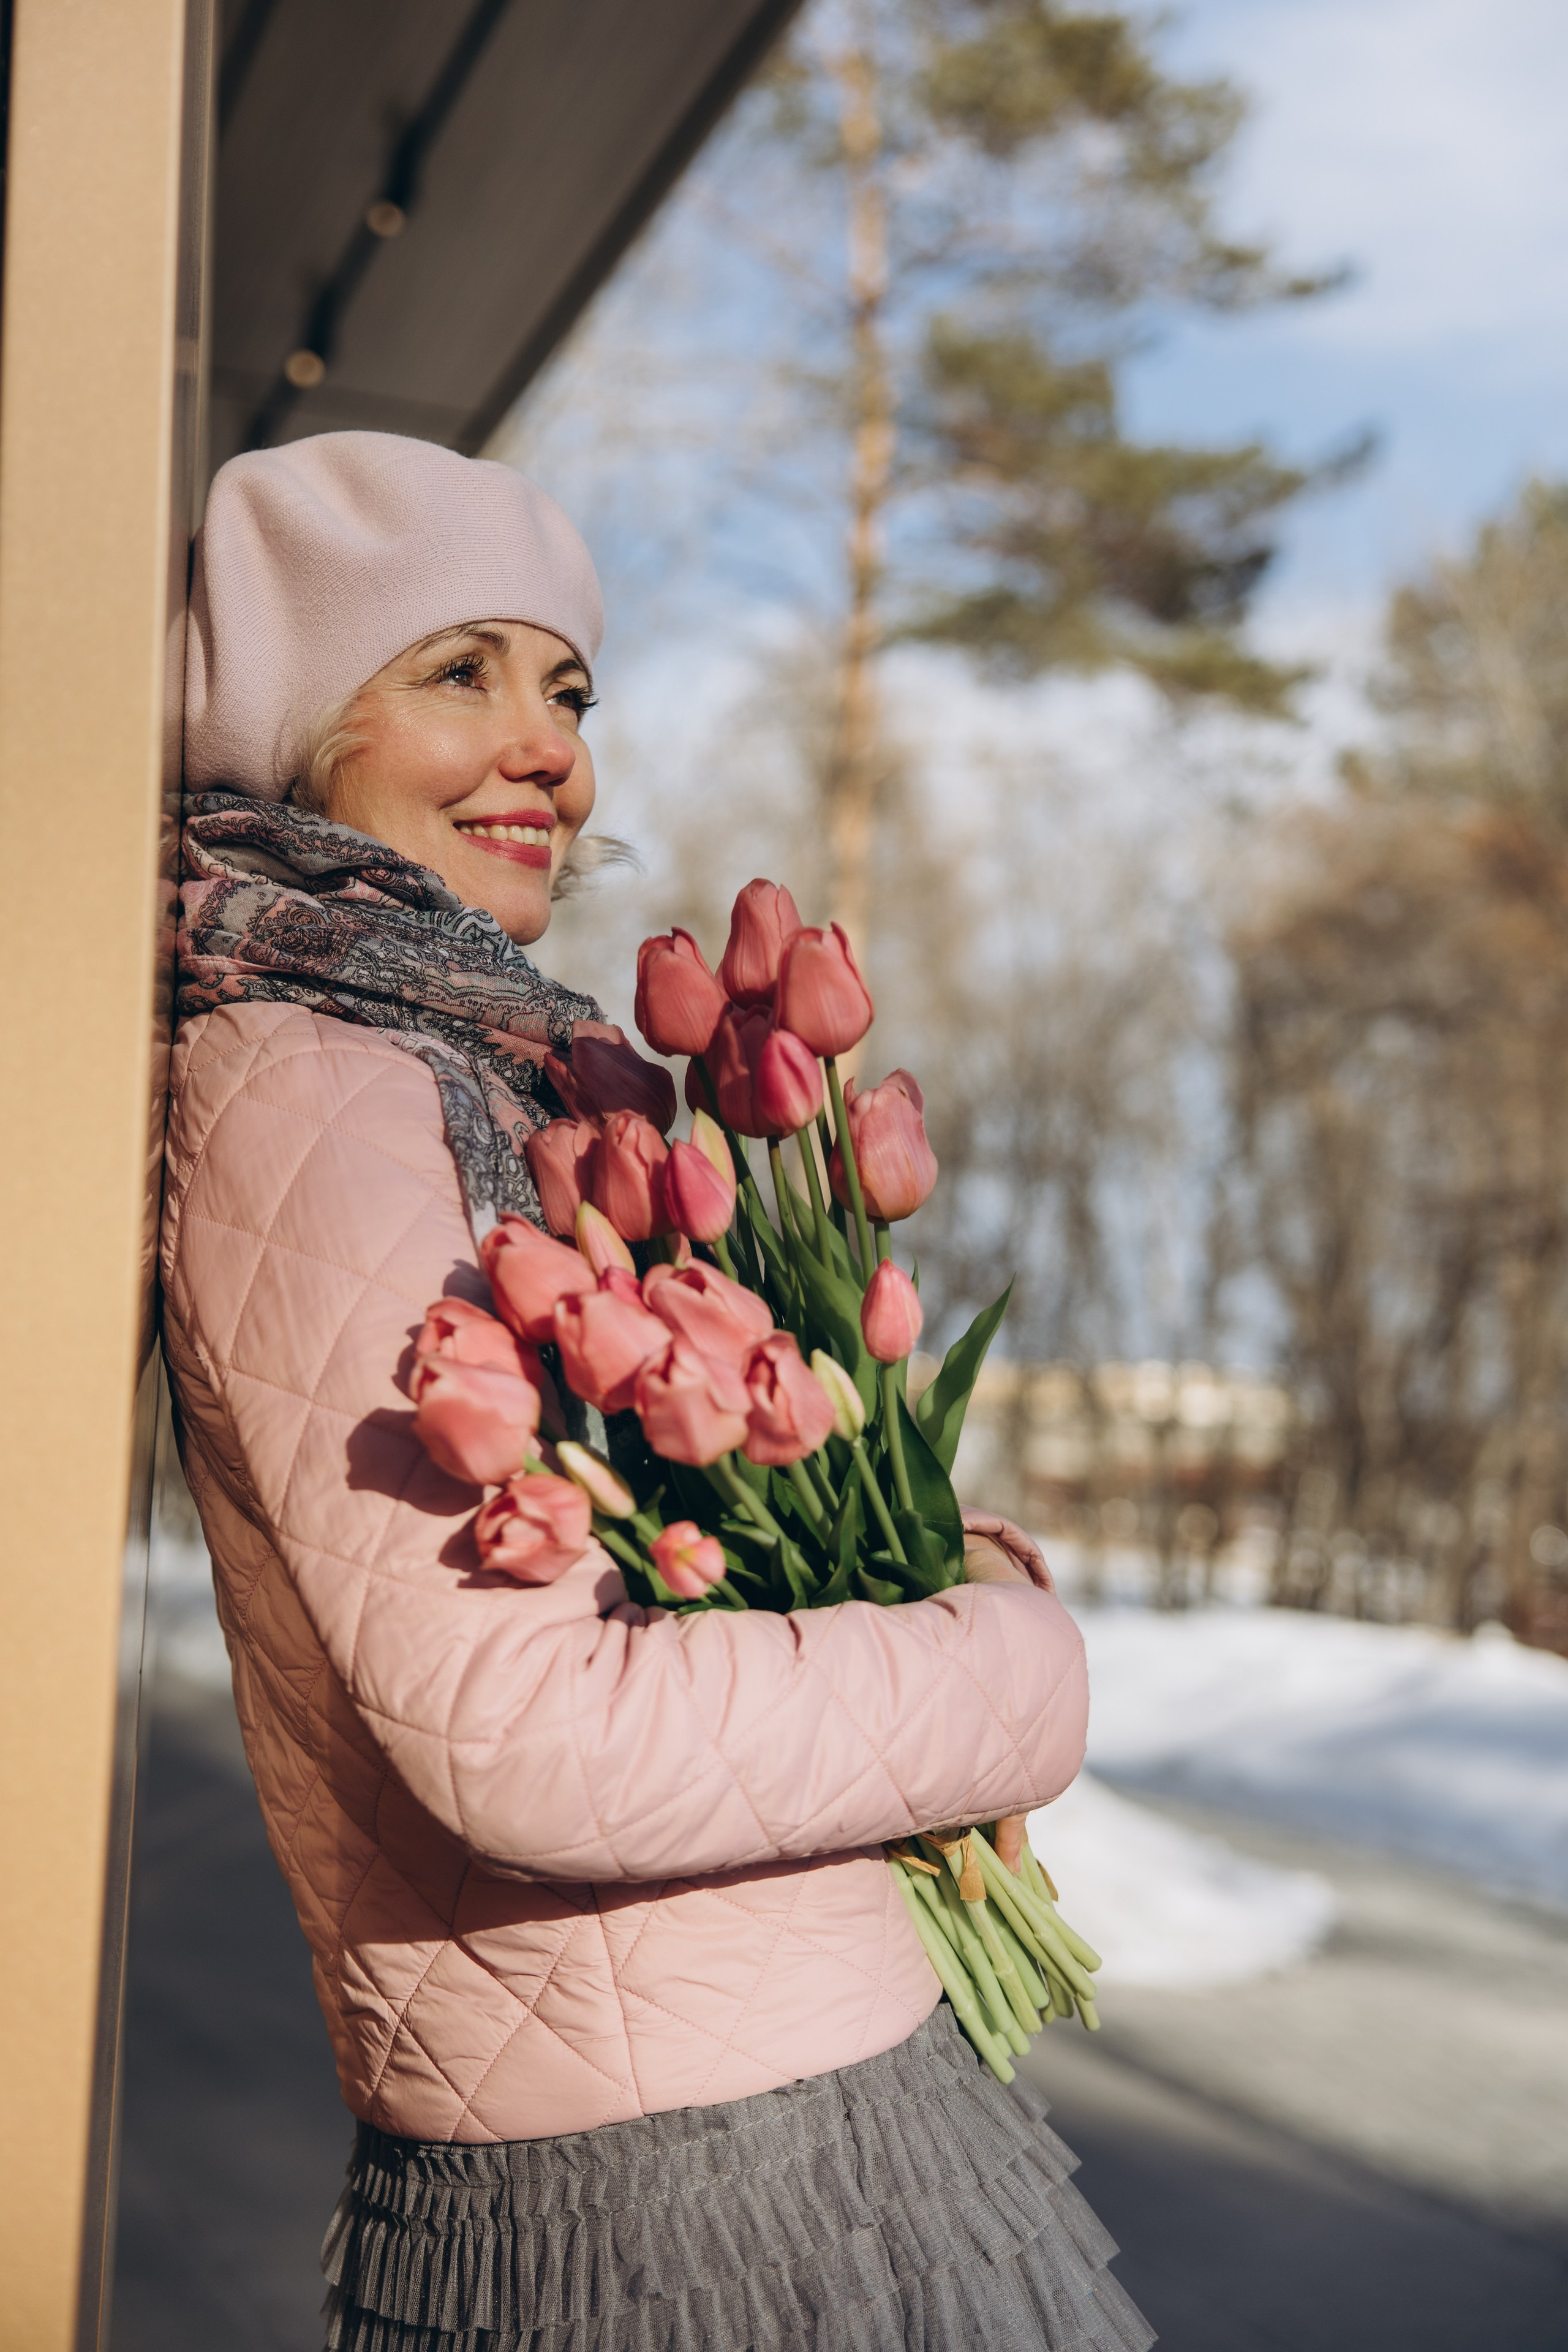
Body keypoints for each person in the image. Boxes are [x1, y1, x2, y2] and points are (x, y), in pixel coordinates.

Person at [160, 431, 1154, 2352]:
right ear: (298, 729)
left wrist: (905, 1556)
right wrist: (1009, 1670)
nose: (551, 748)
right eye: (461, 673)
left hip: (754, 2108)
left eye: (569, 688)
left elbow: (671, 1551)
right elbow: (529, 1730)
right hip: (675, 2190)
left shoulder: (499, 1058)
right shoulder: (324, 1087)